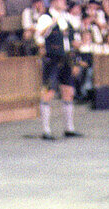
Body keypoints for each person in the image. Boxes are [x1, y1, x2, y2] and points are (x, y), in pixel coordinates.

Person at [35, 0, 82, 140]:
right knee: (48, 92)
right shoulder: (45, 18)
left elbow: (72, 41)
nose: (64, 3)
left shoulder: (66, 18)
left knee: (68, 92)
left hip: (66, 58)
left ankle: (69, 128)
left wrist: (76, 61)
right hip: (52, 59)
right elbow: (39, 36)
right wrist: (52, 24)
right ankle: (46, 130)